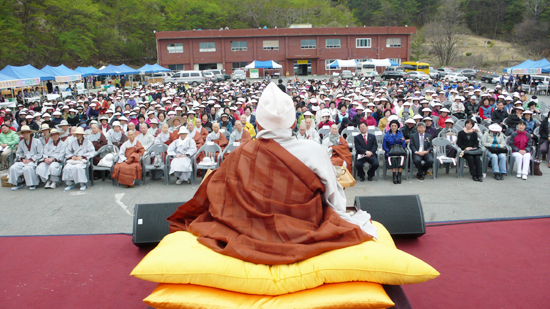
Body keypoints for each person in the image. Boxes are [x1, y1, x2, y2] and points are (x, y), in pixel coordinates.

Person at [167, 83, 377, 265]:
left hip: (249, 226)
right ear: (294, 123)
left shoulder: (240, 153)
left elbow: (219, 193)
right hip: (303, 226)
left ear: (258, 123)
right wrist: (341, 218)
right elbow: (334, 197)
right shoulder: (314, 151)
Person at [8, 126, 43, 190]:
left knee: (28, 168)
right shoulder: (21, 143)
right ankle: (18, 183)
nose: (25, 134)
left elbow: (40, 153)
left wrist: (31, 160)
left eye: (27, 133)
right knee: (13, 167)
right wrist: (22, 159)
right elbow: (19, 153)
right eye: (24, 133)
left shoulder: (37, 141)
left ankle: (32, 183)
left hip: (33, 160)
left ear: (30, 133)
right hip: (24, 160)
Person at [62, 127, 95, 191]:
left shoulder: (88, 142)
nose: (77, 135)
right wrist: (72, 156)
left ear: (82, 134)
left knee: (78, 168)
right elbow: (68, 151)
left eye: (79, 134)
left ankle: (82, 183)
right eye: (76, 134)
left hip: (82, 160)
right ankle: (70, 184)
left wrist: (82, 157)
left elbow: (91, 151)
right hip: (74, 160)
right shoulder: (73, 142)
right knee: (67, 167)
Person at [383, 120, 407, 184]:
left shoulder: (400, 134)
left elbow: (403, 144)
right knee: (393, 158)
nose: (393, 127)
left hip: (399, 151)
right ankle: (394, 176)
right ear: (390, 126)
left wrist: (401, 150)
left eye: (395, 126)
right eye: (392, 126)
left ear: (397, 126)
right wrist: (389, 151)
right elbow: (384, 146)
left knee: (401, 158)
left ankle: (399, 175)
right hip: (390, 152)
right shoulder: (387, 134)